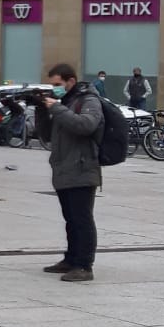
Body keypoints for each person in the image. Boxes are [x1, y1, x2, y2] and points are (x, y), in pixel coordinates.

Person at [33, 63, 105, 282]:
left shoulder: (88, 100)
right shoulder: (64, 102)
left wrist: (56, 108)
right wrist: (41, 110)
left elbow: (86, 125)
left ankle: (84, 265)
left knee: (82, 218)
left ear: (70, 82)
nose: (54, 89)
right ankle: (71, 259)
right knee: (70, 218)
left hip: (83, 168)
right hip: (63, 168)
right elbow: (46, 136)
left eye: (57, 84)